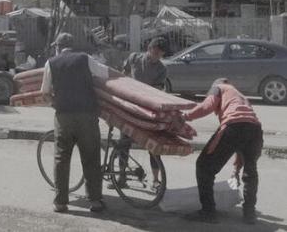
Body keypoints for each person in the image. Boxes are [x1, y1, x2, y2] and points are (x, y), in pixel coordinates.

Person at [40, 32, 108, 214]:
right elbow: (105, 73)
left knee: (61, 158)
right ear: (72, 46)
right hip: (87, 115)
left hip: (64, 117)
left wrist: (54, 102)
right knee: (91, 157)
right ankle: (95, 201)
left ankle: (60, 202)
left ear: (58, 47)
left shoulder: (51, 63)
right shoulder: (84, 59)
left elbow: (45, 92)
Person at [183, 78, 263, 225]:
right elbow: (242, 144)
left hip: (234, 126)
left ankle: (208, 212)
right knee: (251, 172)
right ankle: (249, 214)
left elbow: (207, 106)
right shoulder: (239, 94)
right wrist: (236, 170)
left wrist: (185, 117)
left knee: (203, 166)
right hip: (255, 130)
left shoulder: (218, 87)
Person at [112, 37, 167, 190]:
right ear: (149, 49)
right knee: (124, 142)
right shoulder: (134, 58)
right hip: (130, 107)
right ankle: (121, 176)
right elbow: (123, 75)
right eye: (154, 52)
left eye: (159, 54)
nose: (155, 57)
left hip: (148, 110)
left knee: (152, 145)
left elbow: (155, 91)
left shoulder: (162, 69)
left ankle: (156, 180)